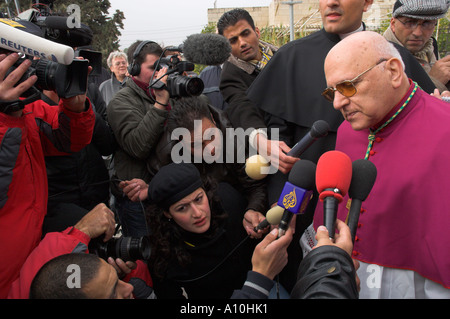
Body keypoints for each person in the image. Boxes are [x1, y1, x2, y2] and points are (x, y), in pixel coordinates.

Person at [311, 31, 450, 298]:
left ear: (394, 71)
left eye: (348, 86)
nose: (338, 103)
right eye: (332, 92)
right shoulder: (346, 131)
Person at [0, 50, 95, 298]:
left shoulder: (25, 104)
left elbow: (70, 141)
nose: (17, 68)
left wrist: (75, 107)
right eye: (8, 59)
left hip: (30, 252)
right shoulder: (9, 109)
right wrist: (4, 116)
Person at [7, 203, 154, 299]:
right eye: (113, 293)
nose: (129, 288)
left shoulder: (97, 280)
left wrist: (115, 276)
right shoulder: (47, 284)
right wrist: (81, 231)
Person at [218, 8, 298, 175]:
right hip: (276, 151)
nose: (242, 43)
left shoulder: (284, 55)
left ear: (257, 32)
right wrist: (261, 142)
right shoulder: (230, 76)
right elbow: (242, 107)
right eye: (233, 40)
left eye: (245, 33)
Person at [106, 40, 171, 237]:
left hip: (167, 190)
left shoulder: (169, 92)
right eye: (153, 68)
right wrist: (160, 104)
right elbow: (138, 146)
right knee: (146, 260)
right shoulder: (120, 101)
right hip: (138, 201)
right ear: (134, 68)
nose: (161, 74)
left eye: (163, 68)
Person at [383, 0, 450, 92]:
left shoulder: (431, 46)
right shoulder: (380, 57)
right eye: (410, 22)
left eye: (427, 23)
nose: (417, 33)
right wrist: (434, 82)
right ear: (393, 24)